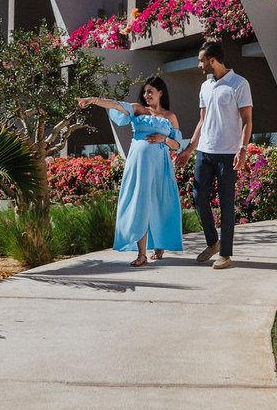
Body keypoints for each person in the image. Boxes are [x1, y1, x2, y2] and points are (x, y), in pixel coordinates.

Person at [78, 77, 184, 266]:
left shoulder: (170, 116)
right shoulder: (138, 109)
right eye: (145, 92)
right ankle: (142, 254)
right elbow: (115, 105)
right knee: (140, 203)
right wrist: (93, 100)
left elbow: (177, 145)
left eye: (150, 91)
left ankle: (159, 243)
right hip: (139, 165)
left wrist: (163, 139)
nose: (146, 95)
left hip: (161, 166)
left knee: (160, 203)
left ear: (161, 92)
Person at [176, 40, 252, 269]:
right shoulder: (205, 86)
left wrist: (243, 148)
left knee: (227, 203)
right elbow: (202, 121)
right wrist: (189, 149)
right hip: (204, 152)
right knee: (198, 197)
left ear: (212, 60)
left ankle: (225, 254)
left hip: (228, 153)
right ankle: (213, 242)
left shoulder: (239, 84)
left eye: (201, 61)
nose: (199, 65)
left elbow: (247, 120)